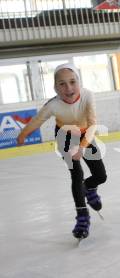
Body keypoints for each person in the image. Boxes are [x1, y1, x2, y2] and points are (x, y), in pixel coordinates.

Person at [16, 63, 107, 239]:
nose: (68, 88)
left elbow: (92, 123)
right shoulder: (53, 105)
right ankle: (82, 216)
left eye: (72, 82)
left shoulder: (88, 96)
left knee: (101, 175)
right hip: (64, 137)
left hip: (84, 135)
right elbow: (37, 120)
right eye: (62, 84)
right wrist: (23, 134)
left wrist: (81, 147)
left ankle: (89, 189)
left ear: (79, 83)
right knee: (76, 174)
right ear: (55, 87)